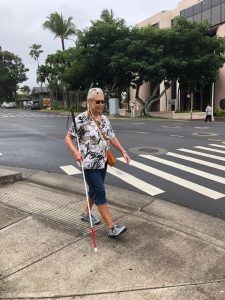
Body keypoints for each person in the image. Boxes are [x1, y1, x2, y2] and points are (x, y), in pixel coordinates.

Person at [65, 87, 130, 238]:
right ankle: (111, 227)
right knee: (99, 191)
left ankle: (85, 213)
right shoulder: (81, 119)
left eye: (102, 102)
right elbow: (68, 138)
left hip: (103, 162)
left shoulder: (105, 119)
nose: (101, 105)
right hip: (88, 163)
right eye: (97, 102)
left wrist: (123, 151)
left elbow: (112, 137)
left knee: (94, 189)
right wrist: (75, 152)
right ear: (89, 102)